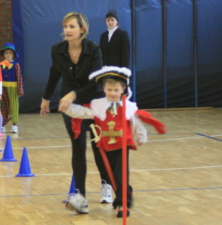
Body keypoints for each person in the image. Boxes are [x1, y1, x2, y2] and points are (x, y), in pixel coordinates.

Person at [61, 66, 166, 217]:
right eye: (109, 89)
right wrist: (68, 108)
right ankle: (123, 196)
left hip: (121, 146)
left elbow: (136, 122)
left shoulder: (127, 106)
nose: (112, 93)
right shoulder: (98, 105)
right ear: (104, 89)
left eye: (116, 90)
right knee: (109, 176)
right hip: (103, 146)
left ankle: (123, 204)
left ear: (122, 89)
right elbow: (83, 112)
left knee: (120, 175)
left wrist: (141, 136)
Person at [40, 12, 111, 214]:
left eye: (72, 27)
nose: (67, 30)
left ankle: (106, 184)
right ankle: (81, 197)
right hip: (70, 107)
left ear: (82, 30)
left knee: (98, 146)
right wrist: (46, 98)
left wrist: (72, 94)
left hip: (94, 104)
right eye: (65, 27)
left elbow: (95, 83)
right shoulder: (57, 50)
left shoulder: (94, 50)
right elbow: (54, 73)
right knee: (78, 148)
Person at [0, 42, 24, 133]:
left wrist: (20, 90)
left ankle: (14, 124)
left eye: (10, 53)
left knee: (14, 105)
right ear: (3, 54)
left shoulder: (16, 65)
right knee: (3, 106)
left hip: (13, 88)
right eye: (6, 53)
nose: (8, 55)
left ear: (13, 54)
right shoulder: (0, 65)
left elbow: (19, 78)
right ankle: (2, 124)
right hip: (2, 87)